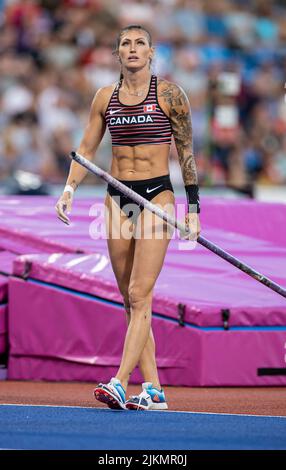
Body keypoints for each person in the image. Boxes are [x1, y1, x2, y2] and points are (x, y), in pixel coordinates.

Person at [55, 24, 201, 411]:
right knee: (130, 299)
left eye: (140, 44)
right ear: (117, 53)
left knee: (140, 294)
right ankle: (152, 388)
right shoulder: (105, 97)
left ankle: (120, 382)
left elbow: (186, 152)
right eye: (125, 43)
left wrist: (194, 208)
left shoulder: (170, 94)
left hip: (157, 198)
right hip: (118, 197)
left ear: (151, 53)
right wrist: (69, 189)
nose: (132, 49)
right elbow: (86, 149)